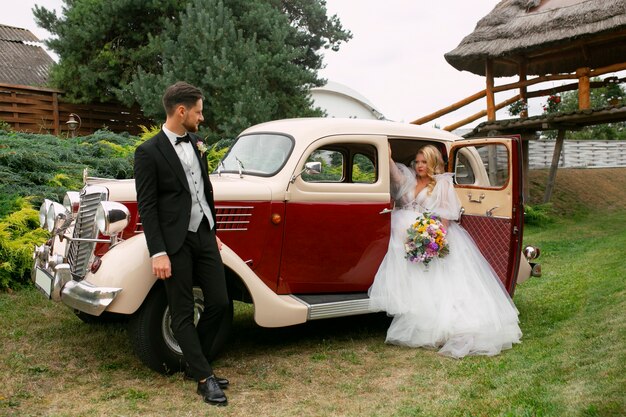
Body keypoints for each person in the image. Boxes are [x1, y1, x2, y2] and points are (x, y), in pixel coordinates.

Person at [368, 144, 522, 358]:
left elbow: (446, 217)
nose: (420, 166)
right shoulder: (411, 180)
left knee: (439, 285)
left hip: (430, 237)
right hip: (406, 239)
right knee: (417, 282)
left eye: (424, 162)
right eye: (418, 162)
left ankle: (442, 326)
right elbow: (396, 178)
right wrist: (388, 157)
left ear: (433, 163)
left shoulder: (442, 184)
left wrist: (434, 237)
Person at [134, 81, 230, 406]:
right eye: (199, 112)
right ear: (181, 111)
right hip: (174, 243)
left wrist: (212, 231)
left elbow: (204, 189)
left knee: (220, 302)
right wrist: (157, 251)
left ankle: (194, 361)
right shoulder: (148, 152)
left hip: (203, 234)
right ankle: (204, 377)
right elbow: (147, 206)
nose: (201, 118)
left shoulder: (198, 143)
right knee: (182, 311)